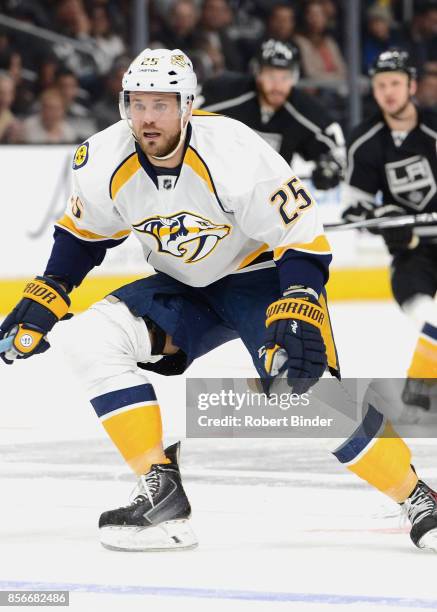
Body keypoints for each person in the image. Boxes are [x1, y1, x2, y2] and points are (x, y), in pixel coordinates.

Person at [1, 48, 437, 554]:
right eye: (137, 103)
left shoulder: (234, 150)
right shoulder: (103, 157)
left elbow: (302, 234)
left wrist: (299, 297)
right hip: (182, 286)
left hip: (261, 279)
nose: (147, 117)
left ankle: (416, 495)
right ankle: (160, 493)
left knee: (310, 393)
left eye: (161, 104)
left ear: (187, 106)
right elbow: (83, 234)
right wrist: (49, 289)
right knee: (87, 338)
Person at [341, 48, 437, 418]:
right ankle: (420, 386)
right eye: (381, 84)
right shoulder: (365, 139)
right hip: (412, 252)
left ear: (411, 85)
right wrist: (383, 218)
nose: (389, 91)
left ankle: (420, 386)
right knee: (423, 313)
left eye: (396, 83)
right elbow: (354, 208)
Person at [198, 39, 344, 190]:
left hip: (271, 197)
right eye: (271, 76)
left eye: (285, 77)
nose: (277, 85)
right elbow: (186, 117)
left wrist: (330, 169)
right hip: (218, 189)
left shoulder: (304, 111)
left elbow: (336, 149)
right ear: (258, 74)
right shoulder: (226, 95)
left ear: (295, 77)